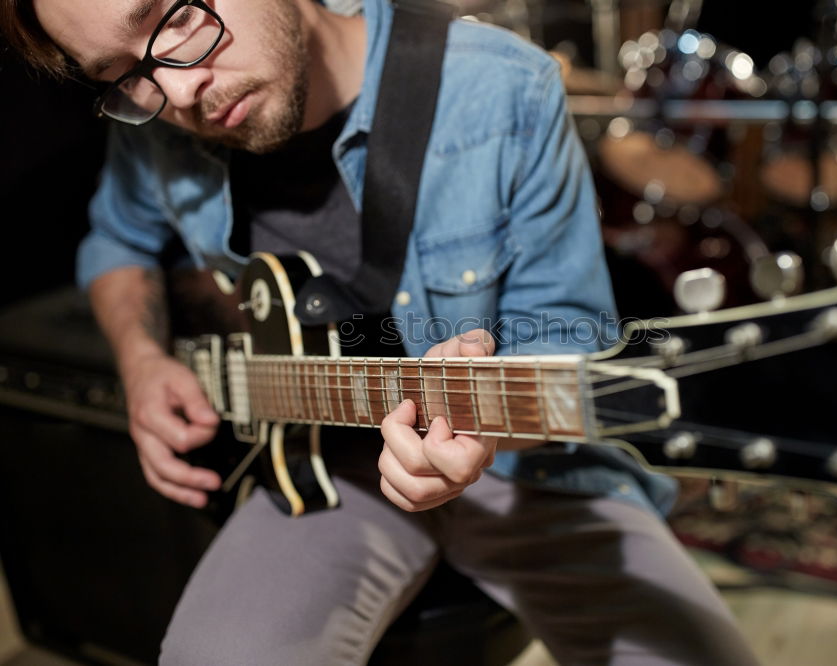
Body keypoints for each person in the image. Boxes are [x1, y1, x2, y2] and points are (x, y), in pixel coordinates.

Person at [2, 0, 761, 663]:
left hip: (528, 475)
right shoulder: (153, 123)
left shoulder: (502, 87)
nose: (176, 90)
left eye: (172, 20)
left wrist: (484, 435)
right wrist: (139, 359)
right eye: (124, 73)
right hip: (317, 472)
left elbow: (568, 337)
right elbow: (115, 242)